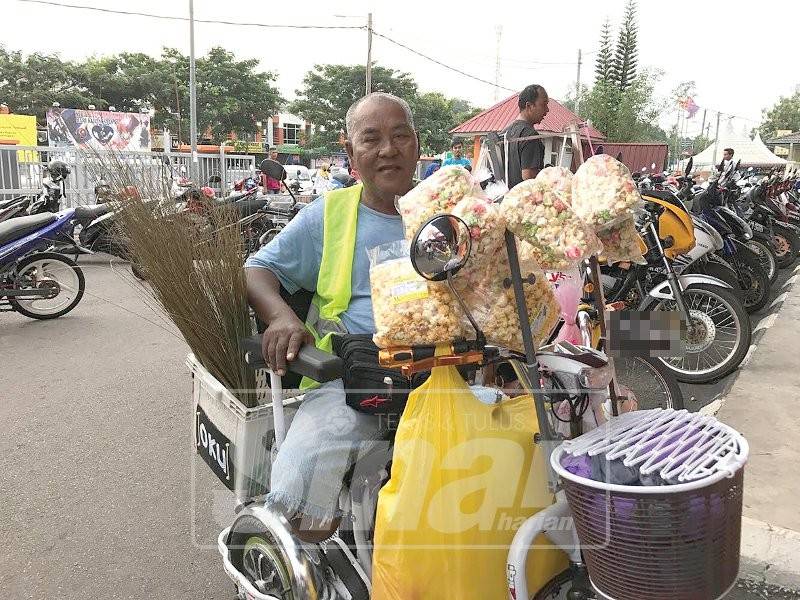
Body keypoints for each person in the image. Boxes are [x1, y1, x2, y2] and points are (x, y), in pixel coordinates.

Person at [245, 92, 418, 541]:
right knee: (306, 494)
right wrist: (281, 316)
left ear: (417, 145)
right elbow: (257, 270)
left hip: (446, 377)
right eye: (372, 138)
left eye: (400, 136)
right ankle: (304, 563)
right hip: (352, 382)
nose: (388, 149)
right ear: (351, 152)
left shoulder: (450, 213)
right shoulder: (329, 216)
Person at [502, 84, 549, 188]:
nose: (547, 110)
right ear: (529, 106)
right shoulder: (530, 135)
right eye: (544, 104)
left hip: (507, 197)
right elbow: (528, 176)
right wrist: (550, 176)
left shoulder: (505, 132)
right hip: (525, 199)